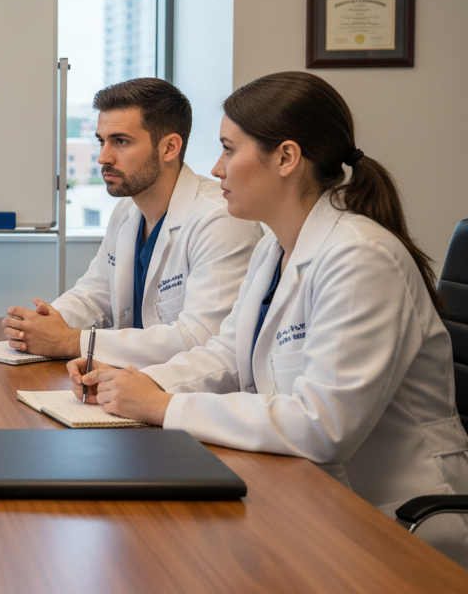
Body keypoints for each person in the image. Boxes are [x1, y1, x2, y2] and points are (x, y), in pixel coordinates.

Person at [73, 71, 468, 565]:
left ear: (285, 157)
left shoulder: (361, 257)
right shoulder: (273, 248)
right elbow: (226, 355)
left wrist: (162, 407)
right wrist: (133, 382)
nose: (215, 169)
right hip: (306, 494)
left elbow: (322, 425)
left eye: (228, 150)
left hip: (392, 522)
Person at [4, 78, 261, 366]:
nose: (103, 157)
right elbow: (94, 295)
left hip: (187, 396)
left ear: (169, 148)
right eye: (102, 141)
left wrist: (68, 340)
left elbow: (200, 338)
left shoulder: (219, 220)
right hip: (125, 384)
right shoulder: (128, 210)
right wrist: (42, 324)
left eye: (121, 142)